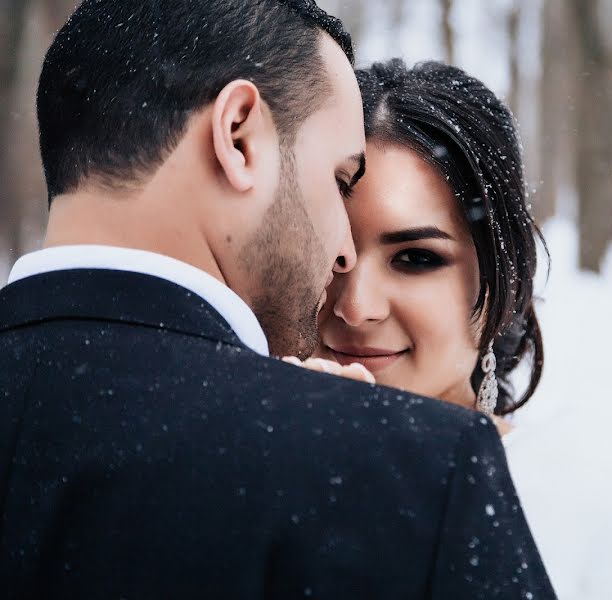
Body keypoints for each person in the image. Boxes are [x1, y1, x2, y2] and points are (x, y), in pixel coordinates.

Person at [0, 1, 556, 598]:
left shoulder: (468, 482)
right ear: (237, 137)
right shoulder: (360, 473)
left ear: (501, 285)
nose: (352, 296)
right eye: (338, 188)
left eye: (416, 258)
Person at [314, 60, 545, 434]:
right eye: (329, 251)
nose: (356, 308)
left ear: (504, 277)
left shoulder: (548, 486)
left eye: (415, 259)